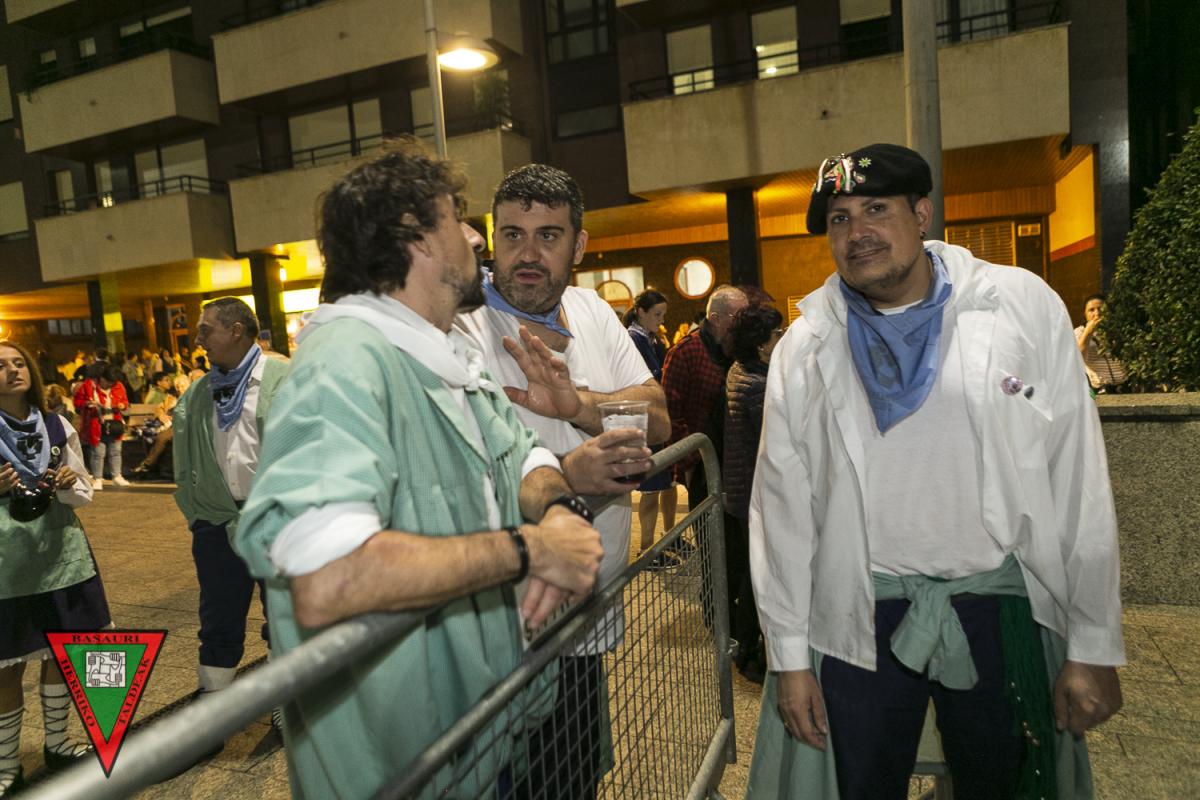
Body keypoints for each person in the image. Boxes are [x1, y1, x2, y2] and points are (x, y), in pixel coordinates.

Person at [746, 144, 1124, 800]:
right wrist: (789, 658)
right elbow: (780, 508)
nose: (857, 232)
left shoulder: (1017, 306)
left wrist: (1092, 641)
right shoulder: (805, 346)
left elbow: (1076, 475)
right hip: (859, 615)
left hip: (997, 607)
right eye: (839, 219)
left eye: (876, 209)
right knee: (860, 786)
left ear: (921, 214)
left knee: (1005, 782)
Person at [233, 143, 607, 800]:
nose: (475, 238)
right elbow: (328, 576)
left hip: (477, 746)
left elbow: (524, 454)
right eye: (458, 219)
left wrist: (560, 510)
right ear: (416, 237)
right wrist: (530, 550)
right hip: (401, 774)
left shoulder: (441, 357)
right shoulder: (344, 364)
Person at [456, 163, 668, 799]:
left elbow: (658, 416)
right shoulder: (461, 326)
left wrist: (578, 405)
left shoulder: (591, 309)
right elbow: (453, 476)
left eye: (548, 236)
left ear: (579, 245)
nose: (527, 254)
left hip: (582, 620)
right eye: (512, 234)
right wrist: (568, 475)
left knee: (571, 782)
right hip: (497, 632)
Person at [0, 340, 110, 797]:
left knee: (62, 654)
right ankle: (6, 766)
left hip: (60, 552)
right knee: (6, 667)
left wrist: (69, 481)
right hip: (7, 564)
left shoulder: (55, 424)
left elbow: (83, 491)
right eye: (0, 365)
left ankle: (59, 744)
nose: (13, 370)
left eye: (18, 362)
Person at [173, 298, 289, 710]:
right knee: (218, 618)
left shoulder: (286, 379)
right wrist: (197, 514)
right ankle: (214, 708)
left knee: (285, 614)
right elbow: (184, 458)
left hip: (278, 520)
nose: (198, 340)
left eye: (206, 330)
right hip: (217, 521)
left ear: (236, 330)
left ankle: (285, 704)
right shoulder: (199, 392)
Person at [721, 304, 783, 684]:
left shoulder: (740, 371)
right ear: (761, 344)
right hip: (753, 491)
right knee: (757, 575)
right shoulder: (758, 385)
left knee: (750, 572)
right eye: (777, 334)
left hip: (741, 488)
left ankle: (745, 647)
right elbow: (772, 440)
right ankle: (749, 652)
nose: (782, 338)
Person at [660, 285, 747, 520]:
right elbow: (671, 414)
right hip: (703, 464)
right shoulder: (684, 353)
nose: (744, 323)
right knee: (710, 530)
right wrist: (691, 462)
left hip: (736, 461)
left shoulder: (738, 350)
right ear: (716, 318)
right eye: (739, 316)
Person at [622, 289, 679, 568]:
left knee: (662, 483)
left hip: (652, 416)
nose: (661, 320)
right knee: (651, 486)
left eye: (663, 314)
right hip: (644, 419)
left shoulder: (650, 338)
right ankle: (646, 549)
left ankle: (661, 541)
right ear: (640, 312)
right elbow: (649, 376)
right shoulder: (634, 339)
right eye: (657, 314)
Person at [73, 365, 130, 489]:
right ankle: (97, 478)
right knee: (98, 453)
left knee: (116, 451)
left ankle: (117, 476)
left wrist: (122, 405)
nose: (109, 385)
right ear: (101, 378)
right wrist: (87, 404)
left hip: (115, 424)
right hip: (96, 424)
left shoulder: (119, 386)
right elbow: (77, 402)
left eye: (112, 383)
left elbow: (125, 402)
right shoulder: (89, 386)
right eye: (107, 382)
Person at [1075, 294, 1128, 393]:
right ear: (1085, 314)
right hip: (1099, 390)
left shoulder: (1119, 329)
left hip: (1126, 387)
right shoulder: (1079, 333)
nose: (1097, 313)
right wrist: (1088, 332)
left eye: (1100, 308)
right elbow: (1078, 360)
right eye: (1091, 310)